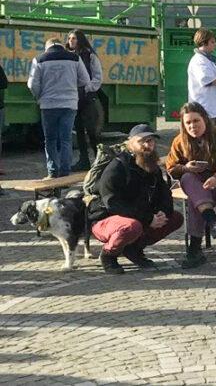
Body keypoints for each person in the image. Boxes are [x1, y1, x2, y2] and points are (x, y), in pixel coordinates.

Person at [87, 124, 183, 274]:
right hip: (105, 219)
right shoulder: (117, 168)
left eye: (150, 141)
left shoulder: (152, 167)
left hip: (139, 217)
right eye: (142, 141)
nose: (147, 145)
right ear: (130, 143)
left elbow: (165, 194)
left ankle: (133, 249)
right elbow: (112, 203)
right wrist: (147, 218)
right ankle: (108, 255)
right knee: (132, 226)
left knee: (175, 218)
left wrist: (163, 212)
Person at [166, 102, 216, 269]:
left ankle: (194, 250)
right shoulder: (180, 141)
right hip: (197, 184)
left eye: (196, 121)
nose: (192, 126)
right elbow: (171, 168)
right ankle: (211, 219)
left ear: (205, 120)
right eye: (188, 123)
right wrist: (185, 167)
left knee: (196, 201)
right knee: (187, 178)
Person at [27, 38, 90, 179]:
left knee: (50, 139)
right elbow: (85, 80)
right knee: (66, 139)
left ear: (47, 47)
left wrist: (39, 97)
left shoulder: (39, 59)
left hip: (48, 104)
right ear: (61, 45)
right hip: (69, 103)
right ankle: (65, 172)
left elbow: (32, 84)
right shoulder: (74, 58)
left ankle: (52, 171)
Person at [67, 30, 105, 171]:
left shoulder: (90, 55)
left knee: (91, 130)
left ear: (80, 40)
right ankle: (83, 160)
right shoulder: (69, 56)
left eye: (74, 38)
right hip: (74, 97)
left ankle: (98, 159)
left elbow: (97, 77)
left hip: (87, 97)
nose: (71, 41)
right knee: (79, 130)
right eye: (69, 38)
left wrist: (86, 88)